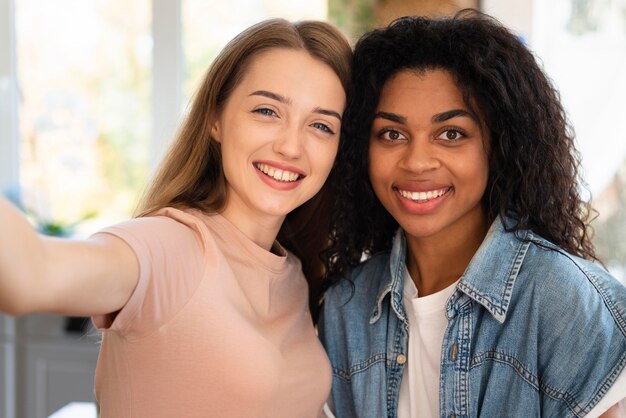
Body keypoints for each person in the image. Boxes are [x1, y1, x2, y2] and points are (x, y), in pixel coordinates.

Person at [0, 18, 351, 417]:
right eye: (267, 110)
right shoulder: (170, 247)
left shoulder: (294, 274)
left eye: (321, 125)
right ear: (215, 119)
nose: (291, 146)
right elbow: (30, 273)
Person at [318, 10, 626, 418]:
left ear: (498, 147)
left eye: (451, 134)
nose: (417, 161)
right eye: (392, 134)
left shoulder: (567, 303)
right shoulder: (346, 307)